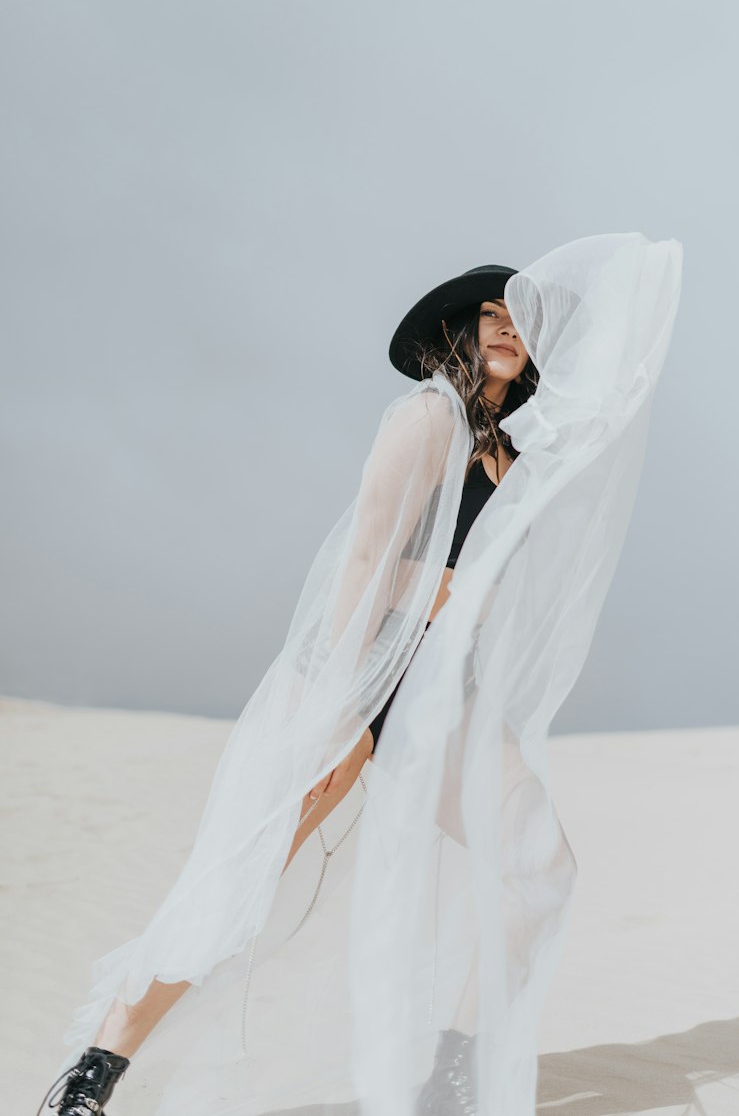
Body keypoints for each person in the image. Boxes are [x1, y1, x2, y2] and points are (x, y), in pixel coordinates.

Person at [38, 232, 684, 1116]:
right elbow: (365, 559)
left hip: (440, 693)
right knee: (242, 880)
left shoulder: (516, 453)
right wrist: (353, 696)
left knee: (541, 869)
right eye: (486, 315)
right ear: (457, 333)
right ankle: (93, 1072)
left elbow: (610, 398)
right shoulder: (425, 418)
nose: (502, 328)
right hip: (358, 674)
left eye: (518, 318)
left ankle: (449, 1072)